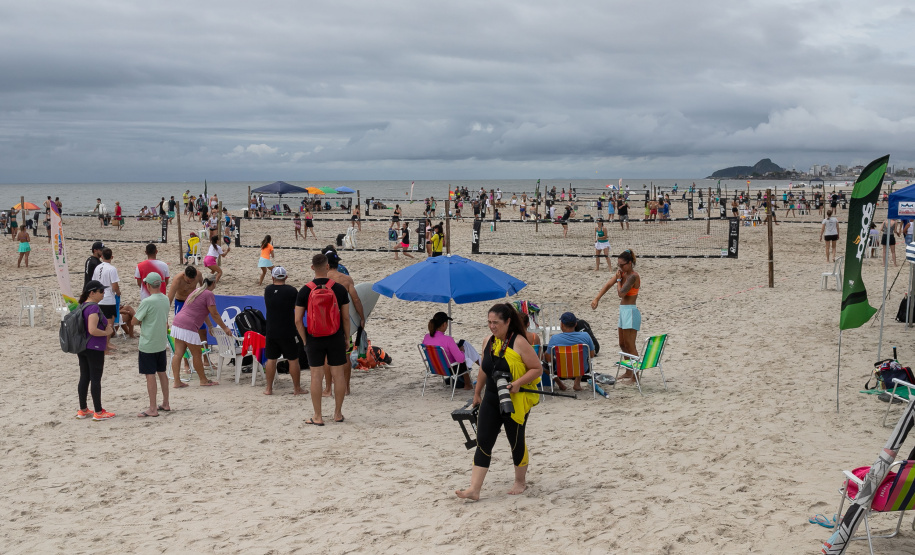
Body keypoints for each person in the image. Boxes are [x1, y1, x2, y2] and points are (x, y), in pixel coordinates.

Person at [455, 303, 542, 501]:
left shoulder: (519, 342)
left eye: (496, 322)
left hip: (515, 399)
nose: (492, 326)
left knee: (516, 440)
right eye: (489, 322)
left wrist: (518, 383)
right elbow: (484, 368)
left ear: (508, 322)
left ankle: (520, 481)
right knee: (483, 441)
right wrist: (478, 393)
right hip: (492, 399)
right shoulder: (488, 341)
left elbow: (537, 369)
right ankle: (474, 489)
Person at [295, 254, 350, 425]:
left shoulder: (305, 290)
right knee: (338, 375)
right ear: (327, 267)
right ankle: (338, 414)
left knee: (316, 376)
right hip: (335, 336)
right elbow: (346, 318)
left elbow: (297, 320)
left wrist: (305, 340)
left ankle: (318, 416)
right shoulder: (339, 289)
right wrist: (346, 338)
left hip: (314, 337)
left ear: (312, 268)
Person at [170, 276, 231, 387]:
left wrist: (210, 326)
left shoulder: (197, 291)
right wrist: (225, 328)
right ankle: (203, 380)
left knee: (178, 354)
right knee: (197, 354)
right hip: (189, 325)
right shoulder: (209, 294)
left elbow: (204, 312)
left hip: (178, 321)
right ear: (213, 283)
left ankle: (176, 381)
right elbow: (214, 314)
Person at [591, 249, 640, 383]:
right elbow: (608, 285)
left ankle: (636, 376)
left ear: (629, 263)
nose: (620, 268)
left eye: (622, 265)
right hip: (624, 311)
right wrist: (597, 298)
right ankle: (628, 372)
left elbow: (621, 293)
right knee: (622, 344)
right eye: (618, 265)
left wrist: (618, 280)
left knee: (631, 345)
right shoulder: (622, 273)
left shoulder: (633, 276)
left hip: (630, 311)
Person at [322, 247, 365, 396]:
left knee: (327, 355)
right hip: (343, 322)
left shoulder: (320, 280)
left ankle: (328, 389)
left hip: (325, 321)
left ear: (326, 264)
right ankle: (346, 388)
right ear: (337, 263)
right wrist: (362, 317)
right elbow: (356, 299)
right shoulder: (346, 279)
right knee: (346, 354)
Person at [75, 280, 117, 421]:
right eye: (101, 291)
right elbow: (92, 329)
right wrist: (107, 332)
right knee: (95, 379)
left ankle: (83, 409)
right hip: (94, 347)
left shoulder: (82, 306)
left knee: (84, 377)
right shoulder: (93, 308)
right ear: (92, 293)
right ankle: (98, 412)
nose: (103, 294)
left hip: (83, 347)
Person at [131, 273, 171, 417]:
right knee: (162, 372)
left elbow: (134, 321)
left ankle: (153, 408)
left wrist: (135, 315)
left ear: (147, 285)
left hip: (148, 342)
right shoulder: (165, 299)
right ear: (160, 284)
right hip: (160, 341)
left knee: (150, 375)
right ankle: (166, 402)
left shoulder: (147, 302)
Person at [263, 266, 304, 396]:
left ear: (272, 277)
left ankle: (269, 389)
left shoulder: (268, 290)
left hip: (271, 329)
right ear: (286, 277)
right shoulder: (291, 291)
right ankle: (297, 389)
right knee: (293, 359)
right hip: (287, 330)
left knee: (271, 359)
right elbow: (297, 308)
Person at [544, 312, 595, 391]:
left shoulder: (554, 338)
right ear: (575, 324)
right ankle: (577, 382)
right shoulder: (585, 336)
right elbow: (592, 355)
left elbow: (549, 359)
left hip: (560, 371)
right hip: (581, 370)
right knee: (582, 358)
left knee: (545, 359)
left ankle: (560, 384)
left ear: (562, 325)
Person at [93, 248, 135, 338]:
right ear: (112, 257)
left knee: (100, 323)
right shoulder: (112, 269)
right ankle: (107, 345)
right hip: (108, 299)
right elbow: (115, 285)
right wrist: (118, 293)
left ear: (101, 256)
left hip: (98, 299)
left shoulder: (97, 268)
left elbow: (94, 283)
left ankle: (104, 343)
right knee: (109, 324)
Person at [423, 311, 472, 389]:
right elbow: (460, 359)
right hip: (448, 370)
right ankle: (468, 385)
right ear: (444, 324)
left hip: (434, 367)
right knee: (463, 363)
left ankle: (454, 381)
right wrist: (461, 351)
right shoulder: (448, 339)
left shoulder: (427, 337)